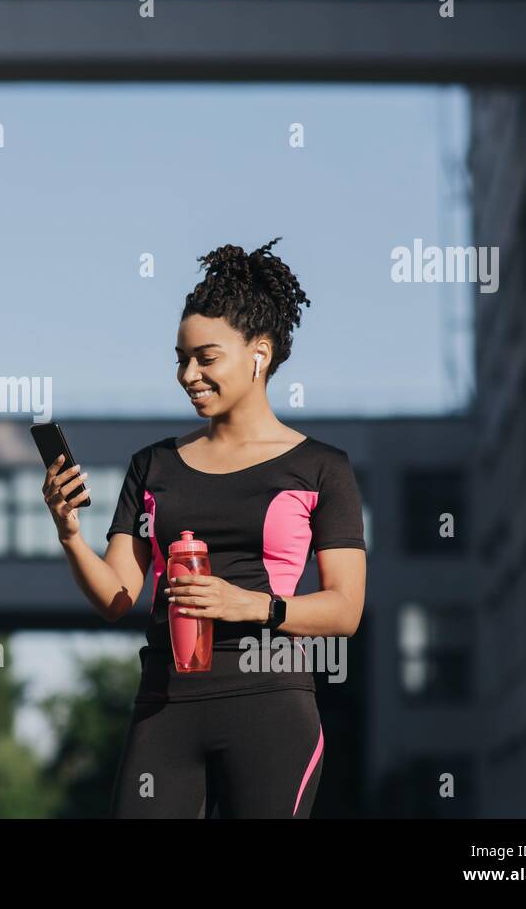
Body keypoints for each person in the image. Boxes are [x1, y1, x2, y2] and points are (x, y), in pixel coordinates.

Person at [43, 238, 367, 818]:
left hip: (271, 702)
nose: (188, 374)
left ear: (259, 355)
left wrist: (248, 604)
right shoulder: (152, 466)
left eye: (205, 357)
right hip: (165, 702)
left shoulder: (322, 468)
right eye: (180, 358)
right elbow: (118, 597)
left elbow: (345, 610)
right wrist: (69, 533)